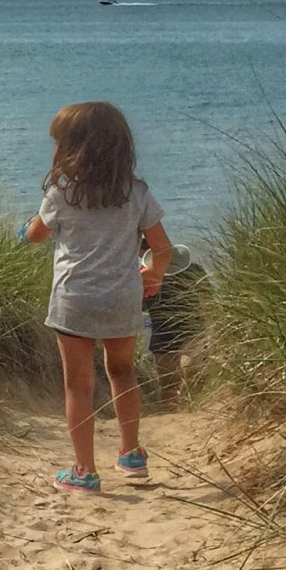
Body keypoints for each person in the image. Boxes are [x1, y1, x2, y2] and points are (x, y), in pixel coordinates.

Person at [22, 101, 171, 491]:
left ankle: (84, 471)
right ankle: (131, 454)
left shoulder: (61, 193)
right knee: (123, 372)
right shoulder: (136, 193)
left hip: (75, 299)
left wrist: (23, 231)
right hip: (123, 298)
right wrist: (154, 273)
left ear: (70, 148)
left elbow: (37, 235)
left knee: (79, 385)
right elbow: (163, 247)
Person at [145, 243, 208, 406]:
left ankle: (182, 412)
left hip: (170, 331)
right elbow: (208, 298)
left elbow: (139, 306)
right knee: (183, 379)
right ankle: (186, 412)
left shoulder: (147, 276)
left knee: (172, 383)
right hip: (184, 329)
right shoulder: (194, 271)